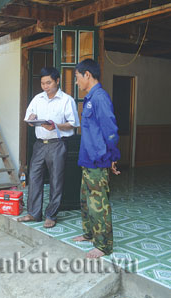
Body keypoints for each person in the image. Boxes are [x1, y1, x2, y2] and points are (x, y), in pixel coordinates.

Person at [18, 67, 80, 228]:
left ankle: (51, 215)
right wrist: (31, 119)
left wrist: (56, 126)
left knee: (56, 180)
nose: (45, 86)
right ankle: (33, 213)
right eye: (43, 83)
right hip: (39, 144)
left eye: (48, 82)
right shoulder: (38, 99)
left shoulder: (67, 100)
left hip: (57, 144)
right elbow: (29, 118)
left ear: (57, 81)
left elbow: (73, 124)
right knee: (34, 177)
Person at [72, 59, 121, 258]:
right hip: (87, 158)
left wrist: (113, 157)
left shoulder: (100, 98)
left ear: (87, 75)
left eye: (77, 78)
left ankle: (103, 245)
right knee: (85, 200)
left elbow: (110, 131)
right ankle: (89, 234)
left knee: (98, 203)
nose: (76, 83)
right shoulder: (90, 98)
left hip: (98, 160)